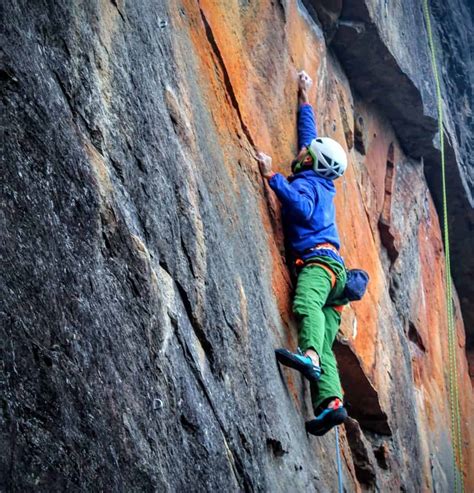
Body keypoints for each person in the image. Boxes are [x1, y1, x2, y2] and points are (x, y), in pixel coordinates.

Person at [257, 71, 349, 436]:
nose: (301, 149)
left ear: (311, 162)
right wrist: (304, 95)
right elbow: (309, 136)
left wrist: (272, 176)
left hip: (319, 263)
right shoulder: (320, 177)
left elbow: (300, 210)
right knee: (326, 340)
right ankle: (333, 404)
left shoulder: (309, 185)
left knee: (305, 307)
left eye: (305, 153)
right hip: (336, 277)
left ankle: (308, 357)